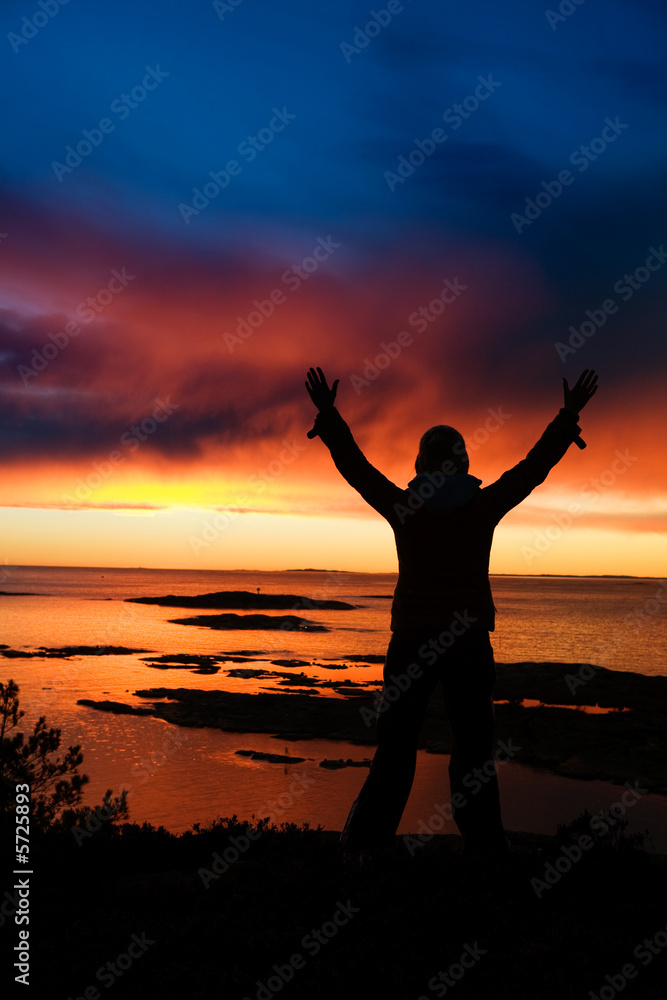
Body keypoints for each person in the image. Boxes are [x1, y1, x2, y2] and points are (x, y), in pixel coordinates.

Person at [305, 366, 598, 858]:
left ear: (421, 464)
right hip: (467, 642)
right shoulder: (481, 508)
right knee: (473, 752)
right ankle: (486, 850)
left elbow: (357, 468)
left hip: (412, 640)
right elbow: (532, 468)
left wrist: (329, 417)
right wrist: (567, 418)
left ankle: (362, 847)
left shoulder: (405, 507)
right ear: (462, 463)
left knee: (395, 749)